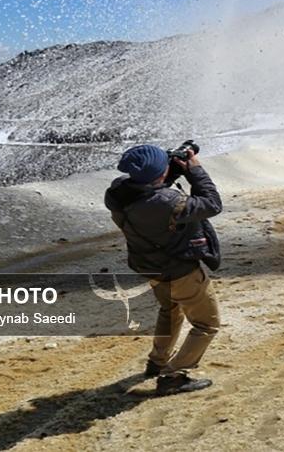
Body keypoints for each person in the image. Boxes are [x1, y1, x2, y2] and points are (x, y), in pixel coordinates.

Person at [104, 143, 223, 396]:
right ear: (159, 173)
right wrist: (195, 170)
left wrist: (168, 171)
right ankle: (173, 375)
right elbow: (212, 204)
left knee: (170, 310)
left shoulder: (117, 193)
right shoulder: (168, 203)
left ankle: (157, 362)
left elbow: (149, 191)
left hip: (151, 268)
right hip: (181, 272)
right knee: (206, 324)